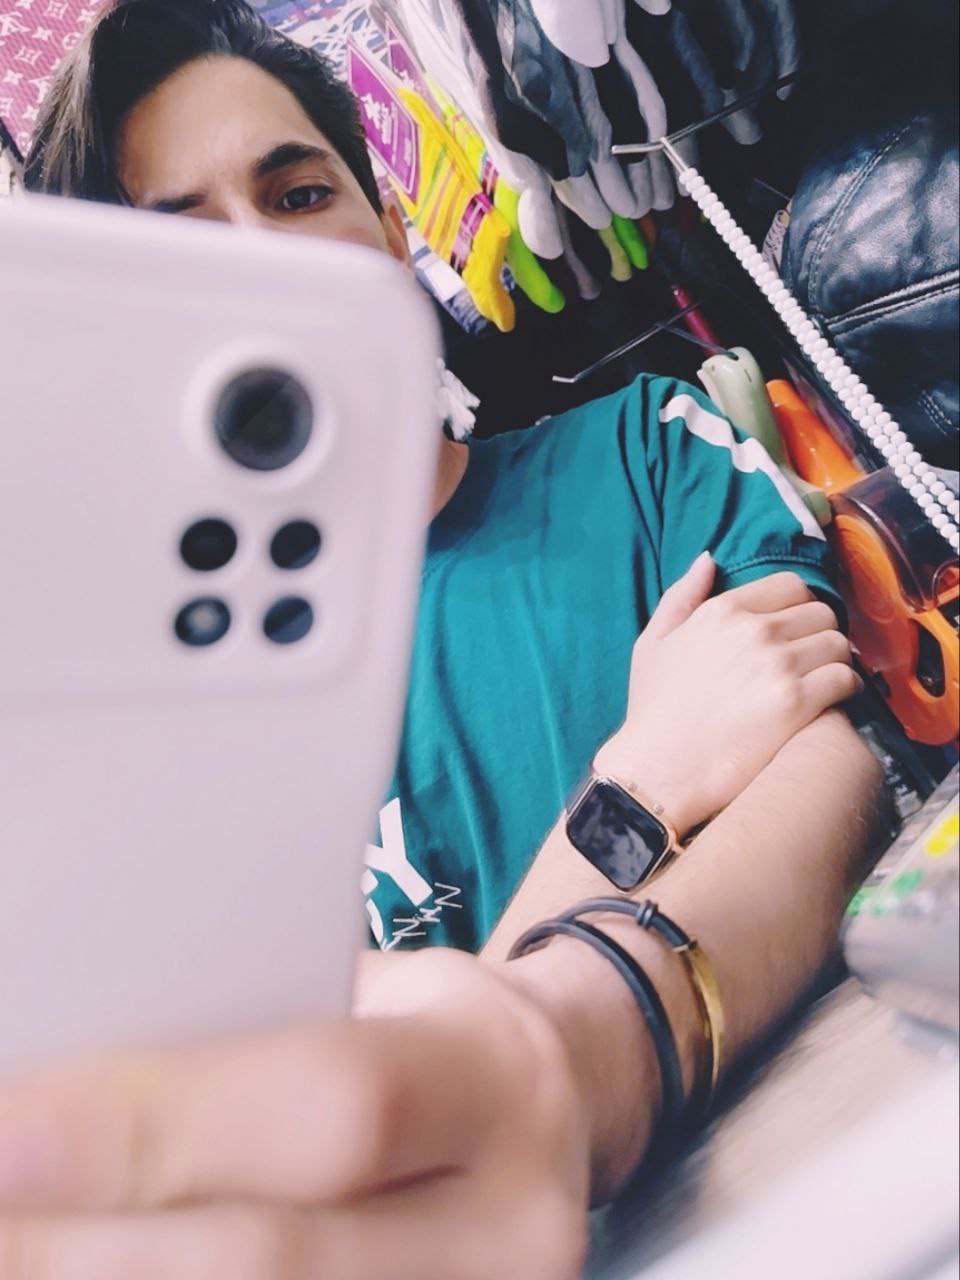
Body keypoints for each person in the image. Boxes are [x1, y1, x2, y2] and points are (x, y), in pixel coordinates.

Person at [0, 3, 884, 1276]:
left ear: (388, 227)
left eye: (298, 195)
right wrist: (632, 796)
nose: (268, 263)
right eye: (182, 246)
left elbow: (824, 768)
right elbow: (330, 1122)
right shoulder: (167, 743)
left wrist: (534, 1043)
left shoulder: (645, 452)